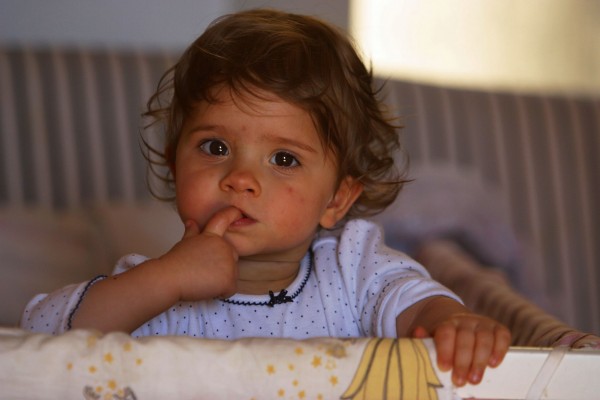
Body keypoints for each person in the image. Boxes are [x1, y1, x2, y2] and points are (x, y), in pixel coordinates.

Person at [20, 9, 510, 387]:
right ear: (175, 165)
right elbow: (39, 338)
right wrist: (165, 279)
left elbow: (411, 300)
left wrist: (450, 322)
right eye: (215, 148)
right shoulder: (152, 289)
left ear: (336, 200)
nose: (240, 179)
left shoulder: (352, 269)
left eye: (283, 159)